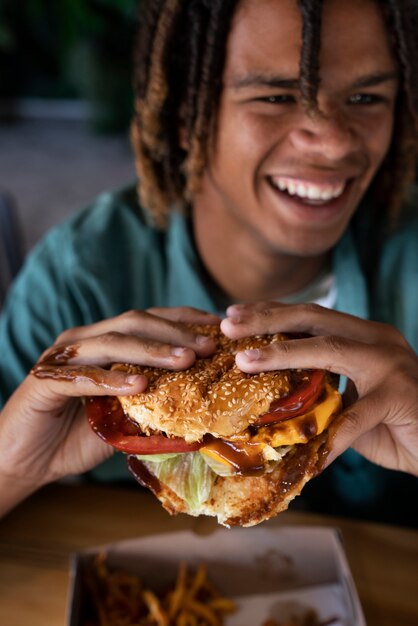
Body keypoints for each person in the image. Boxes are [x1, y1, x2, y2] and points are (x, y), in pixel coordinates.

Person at [0, 0, 417, 524]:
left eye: (365, 96)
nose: (332, 143)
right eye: (275, 96)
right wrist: (13, 469)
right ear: (181, 112)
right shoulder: (75, 278)